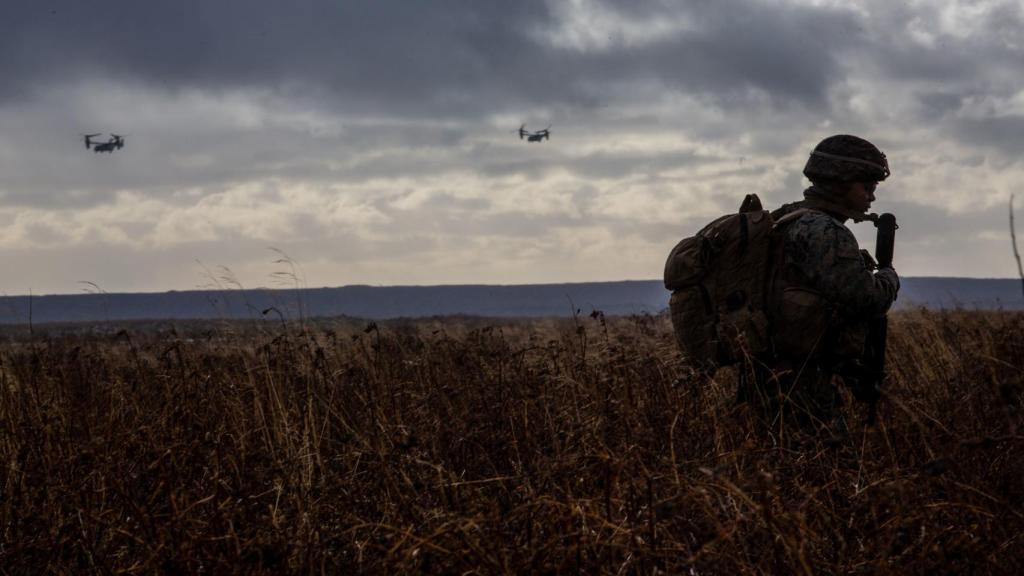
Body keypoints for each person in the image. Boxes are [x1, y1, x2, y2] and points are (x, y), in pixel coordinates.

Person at [748, 134, 900, 437]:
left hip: (769, 370)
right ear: (840, 183)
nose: (871, 197)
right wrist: (888, 277)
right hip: (802, 381)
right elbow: (865, 298)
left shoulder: (788, 216)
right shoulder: (824, 230)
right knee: (824, 465)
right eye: (866, 187)